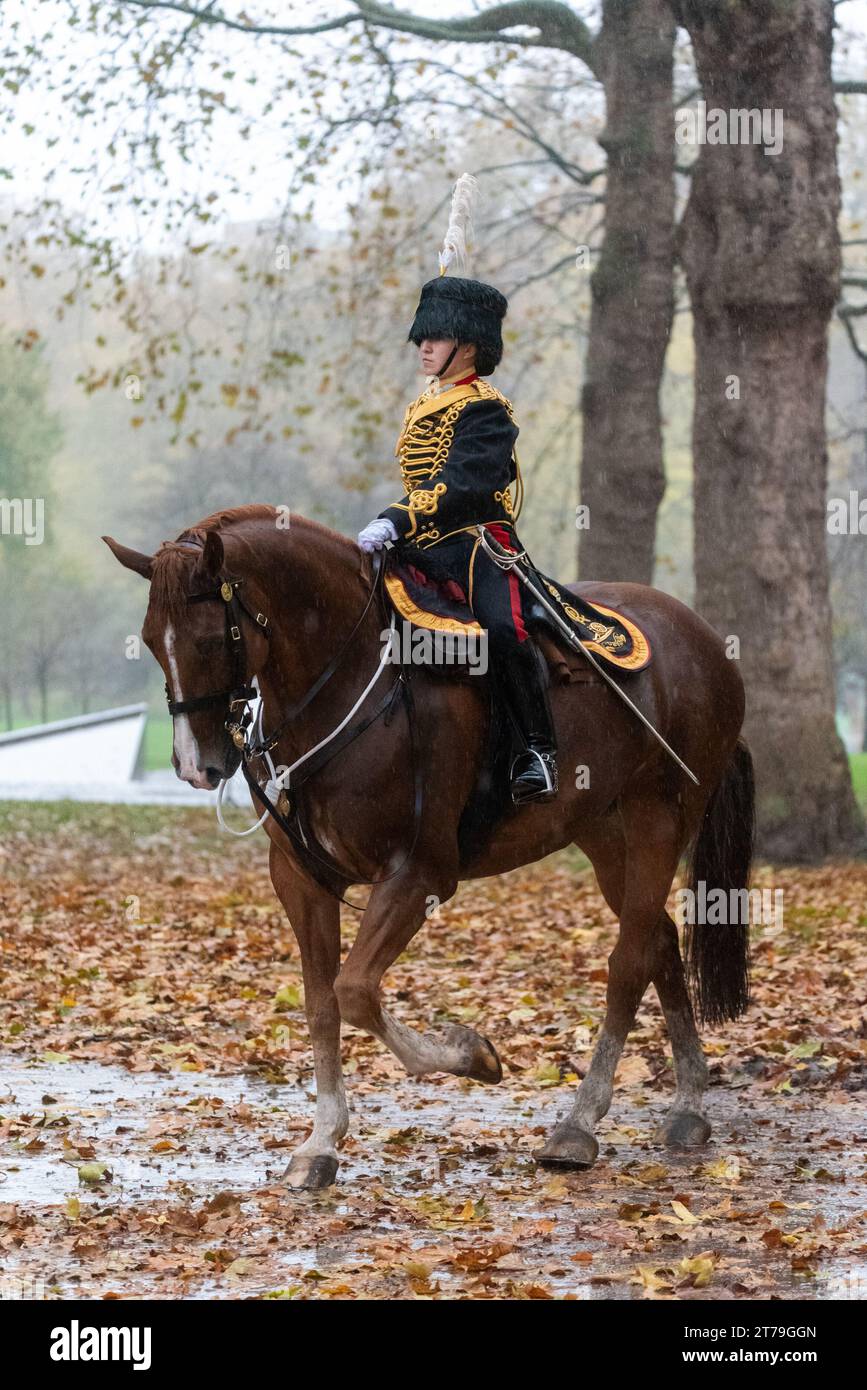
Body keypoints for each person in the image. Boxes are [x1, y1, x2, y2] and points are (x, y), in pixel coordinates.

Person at [357, 272, 558, 805]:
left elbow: (465, 483)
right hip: (420, 544)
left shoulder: (487, 408)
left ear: (468, 346)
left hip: (475, 542)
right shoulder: (426, 402)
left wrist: (397, 517)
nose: (424, 346)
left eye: (437, 337)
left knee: (504, 628)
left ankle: (538, 750)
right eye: (424, 336)